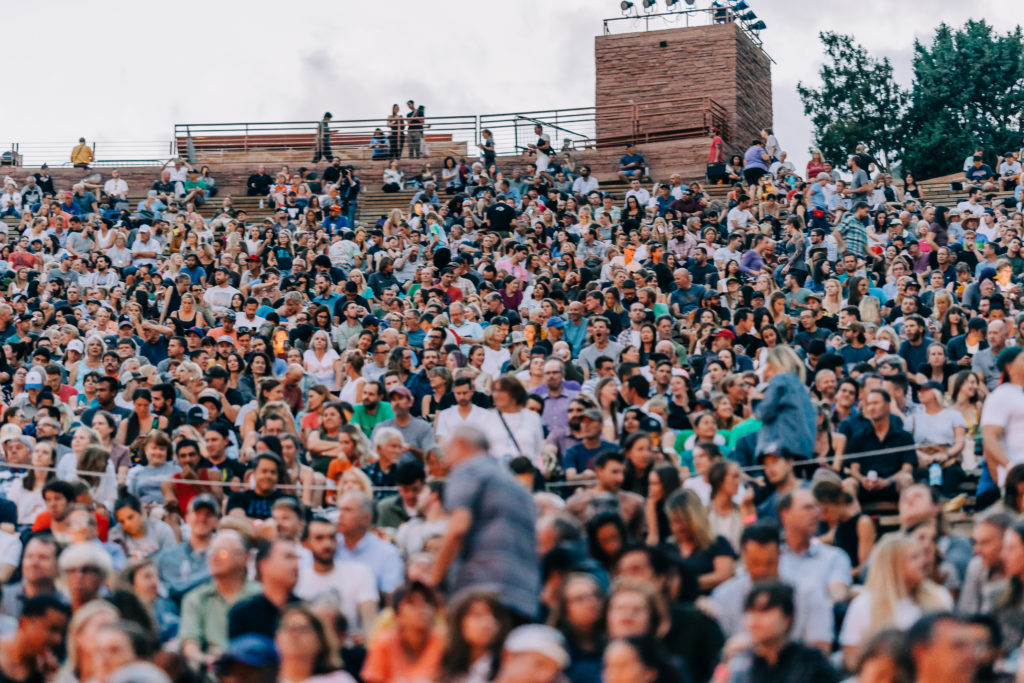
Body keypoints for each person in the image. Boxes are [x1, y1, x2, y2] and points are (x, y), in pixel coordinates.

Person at [429, 426, 539, 621]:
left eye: (447, 452)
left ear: (461, 444)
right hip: (524, 594)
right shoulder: (515, 485)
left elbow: (458, 528)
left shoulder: (468, 469)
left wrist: (434, 580)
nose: (446, 462)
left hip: (481, 591)